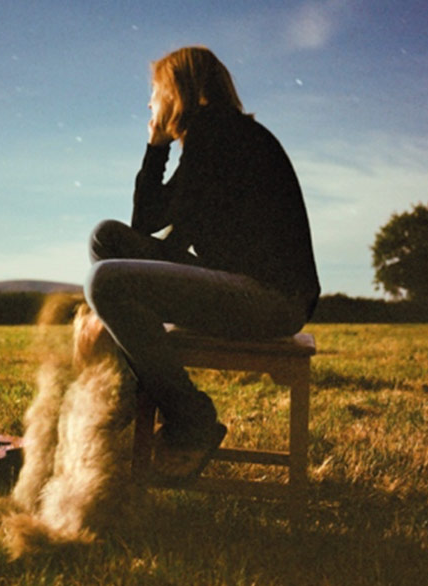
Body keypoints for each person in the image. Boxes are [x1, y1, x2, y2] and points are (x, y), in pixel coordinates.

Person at [85, 46, 320, 482]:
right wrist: (156, 147)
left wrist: (129, 302)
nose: (150, 103)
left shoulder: (218, 133)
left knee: (105, 281)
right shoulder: (213, 135)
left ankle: (190, 417)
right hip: (253, 289)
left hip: (269, 299)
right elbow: (146, 223)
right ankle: (134, 385)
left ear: (177, 91)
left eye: (155, 92)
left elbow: (171, 240)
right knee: (107, 237)